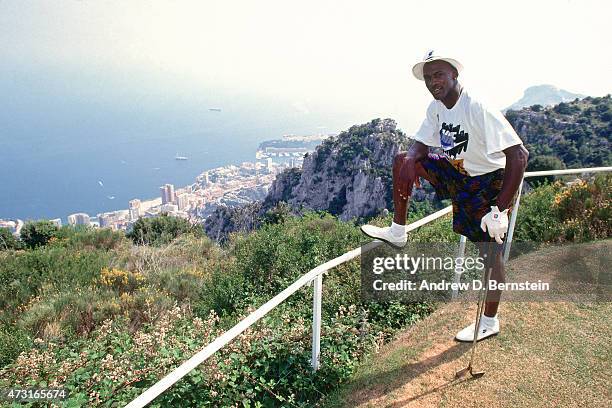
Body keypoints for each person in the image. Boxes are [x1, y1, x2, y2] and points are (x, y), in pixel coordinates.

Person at [361, 50, 529, 341]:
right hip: (459, 173)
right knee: (402, 158)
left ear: (454, 74)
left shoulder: (477, 106)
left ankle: (489, 321)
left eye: (438, 74)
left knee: (490, 255)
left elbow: (519, 156)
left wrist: (499, 209)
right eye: (428, 77)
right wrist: (409, 164)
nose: (432, 82)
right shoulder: (436, 107)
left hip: (489, 182)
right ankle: (399, 231)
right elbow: (419, 145)